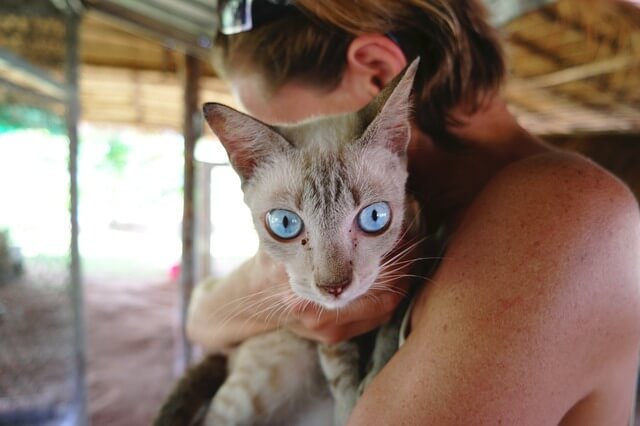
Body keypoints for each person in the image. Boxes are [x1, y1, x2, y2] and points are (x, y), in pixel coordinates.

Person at [187, 0, 640, 423]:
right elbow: (200, 323)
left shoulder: (562, 215)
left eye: (288, 129)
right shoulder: (406, 212)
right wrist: (248, 293)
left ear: (380, 76)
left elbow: (210, 322)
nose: (285, 148)